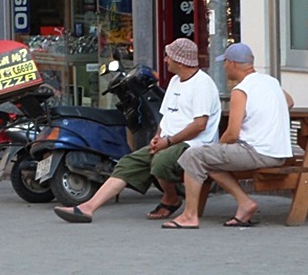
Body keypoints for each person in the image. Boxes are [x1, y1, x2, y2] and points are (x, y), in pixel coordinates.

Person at [54, 38, 221, 223]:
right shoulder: (175, 81)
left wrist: (168, 142)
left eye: (169, 57)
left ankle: (171, 198)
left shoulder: (202, 85)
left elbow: (200, 125)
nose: (165, 60)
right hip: (169, 140)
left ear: (180, 61)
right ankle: (87, 208)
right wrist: (158, 137)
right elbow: (166, 116)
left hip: (193, 143)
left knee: (161, 161)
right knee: (127, 163)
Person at [162, 43, 294, 229]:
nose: (223, 67)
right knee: (210, 160)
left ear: (231, 63)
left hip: (256, 152)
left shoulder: (241, 90)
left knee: (194, 155)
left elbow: (232, 133)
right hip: (279, 153)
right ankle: (245, 203)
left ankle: (189, 216)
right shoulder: (270, 82)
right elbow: (289, 102)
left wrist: (217, 148)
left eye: (224, 63)